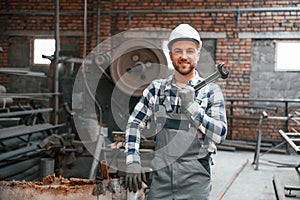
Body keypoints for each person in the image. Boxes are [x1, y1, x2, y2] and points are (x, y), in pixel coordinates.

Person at [124, 24, 227, 200]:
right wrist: (132, 159)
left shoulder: (211, 91)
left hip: (196, 178)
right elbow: (134, 123)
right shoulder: (156, 89)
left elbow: (220, 134)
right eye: (178, 51)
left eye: (190, 50)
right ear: (171, 55)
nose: (184, 56)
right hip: (161, 177)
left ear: (198, 54)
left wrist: (191, 106)